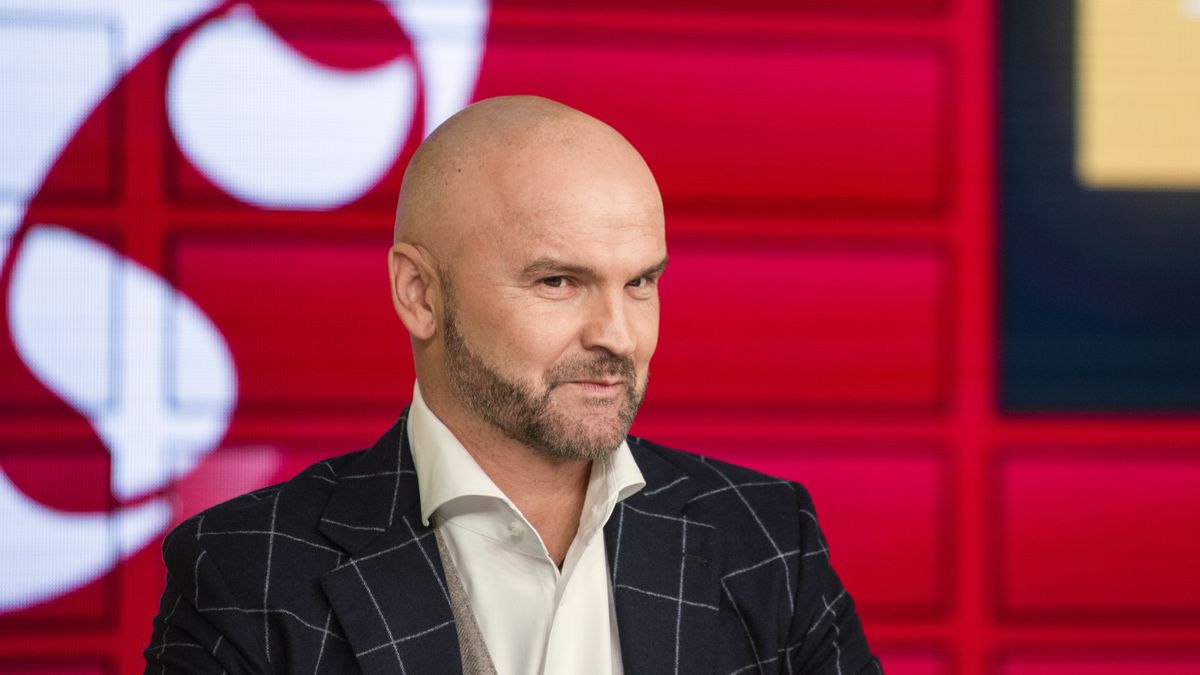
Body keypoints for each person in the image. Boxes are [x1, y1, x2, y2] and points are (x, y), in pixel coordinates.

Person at [145, 95, 882, 674]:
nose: (619, 336)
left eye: (640, 282)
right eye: (559, 281)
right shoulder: (244, 572)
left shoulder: (767, 537)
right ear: (420, 293)